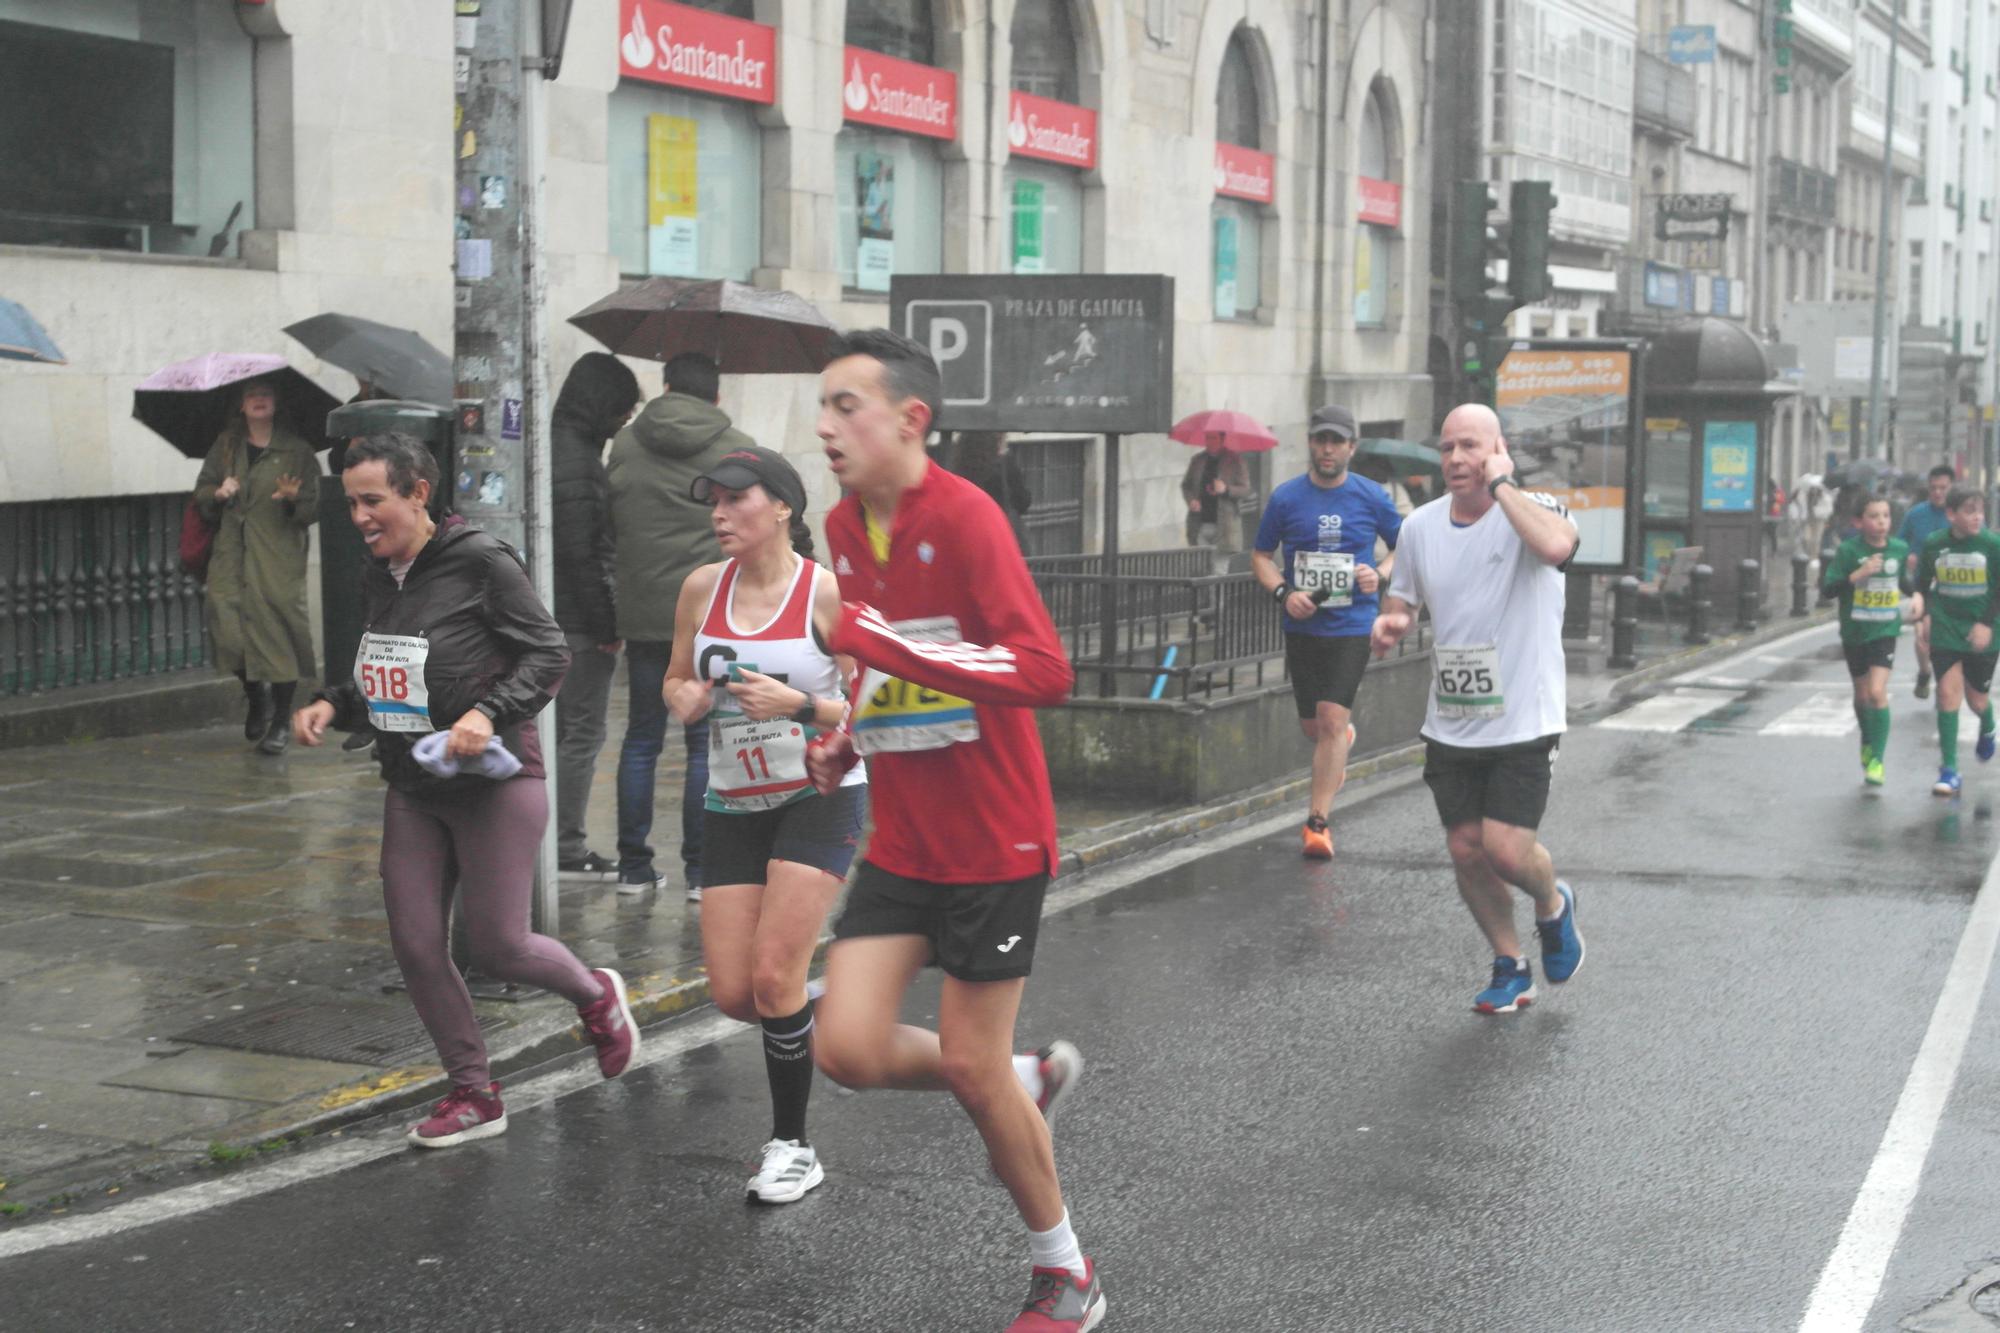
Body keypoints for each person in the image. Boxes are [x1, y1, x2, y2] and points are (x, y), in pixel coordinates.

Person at [802, 330, 1103, 1332]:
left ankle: (1065, 1270)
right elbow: (880, 670)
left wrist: (881, 644)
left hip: (993, 842)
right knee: (841, 1044)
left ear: (910, 418)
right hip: (900, 839)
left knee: (969, 1068)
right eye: (824, 407)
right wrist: (847, 736)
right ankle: (1017, 1079)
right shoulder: (842, 528)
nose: (826, 427)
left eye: (847, 406)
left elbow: (1042, 672)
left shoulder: (968, 517)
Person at [292, 433, 639, 1147]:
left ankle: (597, 995)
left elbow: (550, 650)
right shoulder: (379, 573)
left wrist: (486, 713)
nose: (359, 516)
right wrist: (337, 702)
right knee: (417, 943)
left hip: (495, 782)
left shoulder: (480, 561)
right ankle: (473, 1091)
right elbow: (393, 671)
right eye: (351, 501)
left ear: (418, 492)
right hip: (415, 783)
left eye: (372, 500)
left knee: (498, 944)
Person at [661, 445, 866, 1204]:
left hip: (820, 790)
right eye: (710, 500)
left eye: (734, 498)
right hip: (732, 800)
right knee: (735, 991)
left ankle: (793, 1146)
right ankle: (818, 1020)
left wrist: (804, 706)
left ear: (781, 505)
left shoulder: (827, 596)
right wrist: (681, 695)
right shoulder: (699, 589)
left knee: (777, 975)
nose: (718, 513)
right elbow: (677, 674)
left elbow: (881, 707)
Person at [1369, 403, 1585, 1016]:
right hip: (1454, 717)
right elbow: (1405, 599)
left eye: (1470, 446)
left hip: (1525, 714)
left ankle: (1553, 905)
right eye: (1447, 448)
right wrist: (1393, 621)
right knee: (1466, 847)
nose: (1457, 459)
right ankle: (1510, 965)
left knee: (1507, 851)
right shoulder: (1420, 528)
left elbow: (1556, 547)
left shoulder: (1534, 512)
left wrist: (1503, 485)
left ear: (1497, 450)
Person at [607, 351, 754, 899]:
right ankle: (700, 872)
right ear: (715, 396)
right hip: (711, 613)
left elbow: (609, 517)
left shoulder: (624, 444)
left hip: (644, 613)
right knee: (704, 743)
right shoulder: (737, 447)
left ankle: (632, 868)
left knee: (642, 738)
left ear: (665, 387)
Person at [1251, 404, 1402, 860]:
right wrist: (1283, 594)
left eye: (1337, 441)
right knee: (1314, 727)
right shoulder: (1285, 498)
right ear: (1311, 444)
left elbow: (1406, 546)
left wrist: (1380, 573)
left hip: (1353, 623)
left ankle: (1317, 824)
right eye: (1321, 440)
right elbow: (1260, 556)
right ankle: (1339, 741)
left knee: (1333, 719)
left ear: (1352, 448)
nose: (1328, 449)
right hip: (1303, 625)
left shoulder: (1371, 496)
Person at [191, 379, 321, 755]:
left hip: (276, 558)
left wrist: (293, 499)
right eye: (252, 396)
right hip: (231, 555)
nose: (259, 401)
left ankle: (280, 720)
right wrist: (217, 493)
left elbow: (315, 507)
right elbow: (201, 493)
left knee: (278, 637)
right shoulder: (226, 446)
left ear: (276, 402)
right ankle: (256, 696)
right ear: (242, 405)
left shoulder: (297, 451)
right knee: (228, 631)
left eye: (265, 395)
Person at [549, 352, 642, 879]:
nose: (623, 423)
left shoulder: (555, 447)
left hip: (552, 614)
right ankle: (565, 846)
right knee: (581, 735)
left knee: (557, 732)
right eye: (622, 411)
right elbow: (583, 555)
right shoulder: (580, 462)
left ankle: (549, 840)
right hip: (577, 623)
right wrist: (607, 628)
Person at [1823, 496, 1923, 787]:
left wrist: (1916, 595)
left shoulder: (1899, 549)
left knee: (1877, 692)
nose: (1881, 522)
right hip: (1855, 632)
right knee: (1862, 695)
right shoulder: (1848, 550)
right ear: (1858, 522)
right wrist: (1858, 575)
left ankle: (1877, 760)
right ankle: (1867, 739)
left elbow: (1903, 581)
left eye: (1886, 516)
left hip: (1885, 630)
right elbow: (1829, 588)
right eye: (1874, 516)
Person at [1914, 486, 2000, 797]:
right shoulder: (1936, 544)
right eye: (1969, 510)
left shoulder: (1992, 545)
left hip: (1983, 630)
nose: (1978, 516)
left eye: (1981, 510)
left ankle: (1988, 725)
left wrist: (1985, 623)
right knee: (1948, 695)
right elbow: (1922, 582)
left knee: (1976, 700)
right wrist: (1923, 611)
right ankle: (1949, 769)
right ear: (1951, 515)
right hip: (1946, 626)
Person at [1898, 465, 1958, 699]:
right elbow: (1899, 545)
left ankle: (1945, 685)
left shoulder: (1959, 514)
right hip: (1923, 587)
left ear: (1952, 488)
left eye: (1943, 488)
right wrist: (1908, 558)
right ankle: (1924, 672)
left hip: (1954, 589)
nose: (1938, 493)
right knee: (1922, 636)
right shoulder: (1916, 514)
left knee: (1947, 641)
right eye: (1933, 488)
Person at [947, 430, 1033, 549]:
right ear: (998, 440)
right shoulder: (1004, 466)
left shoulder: (959, 469)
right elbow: (1023, 502)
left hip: (968, 533)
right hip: (1000, 534)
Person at [1180, 436, 1250, 573]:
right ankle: (1204, 595)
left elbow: (1245, 490)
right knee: (1200, 570)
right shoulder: (1198, 460)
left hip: (1225, 526)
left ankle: (1216, 595)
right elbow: (1186, 486)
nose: (1209, 441)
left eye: (1213, 438)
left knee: (1219, 570)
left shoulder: (1235, 461)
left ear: (1222, 439)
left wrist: (1226, 489)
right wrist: (1191, 500)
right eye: (1207, 437)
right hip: (1199, 523)